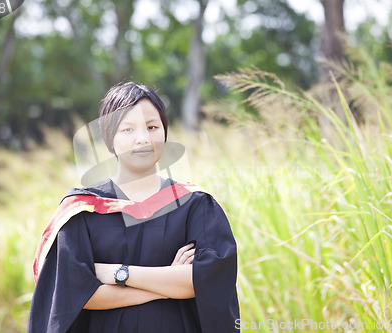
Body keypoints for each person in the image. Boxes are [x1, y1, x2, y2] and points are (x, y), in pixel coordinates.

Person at [27, 81, 239, 332]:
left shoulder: (195, 205)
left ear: (164, 133)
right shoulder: (82, 211)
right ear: (109, 138)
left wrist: (120, 274)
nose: (143, 139)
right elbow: (79, 295)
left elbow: (204, 281)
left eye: (152, 127)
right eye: (128, 129)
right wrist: (167, 284)